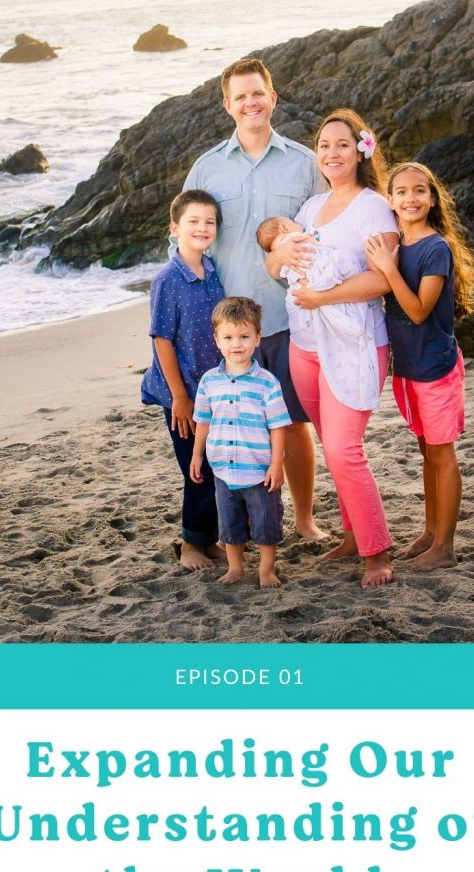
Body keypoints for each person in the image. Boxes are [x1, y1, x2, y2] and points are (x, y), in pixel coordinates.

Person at [179, 57, 325, 541]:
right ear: (227, 105)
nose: (250, 103)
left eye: (257, 93)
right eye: (240, 96)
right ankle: (234, 529)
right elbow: (185, 241)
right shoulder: (207, 167)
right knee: (226, 425)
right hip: (228, 325)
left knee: (294, 423)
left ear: (273, 97)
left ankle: (303, 519)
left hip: (289, 318)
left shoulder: (305, 163)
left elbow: (327, 230)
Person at [265, 108, 398, 587]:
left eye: (342, 144)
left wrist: (323, 296)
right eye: (324, 145)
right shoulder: (309, 209)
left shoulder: (374, 206)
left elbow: (382, 278)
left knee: (344, 449)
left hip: (354, 342)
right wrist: (277, 256)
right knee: (329, 441)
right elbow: (275, 266)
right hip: (305, 345)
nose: (331, 153)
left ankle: (377, 552)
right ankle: (351, 535)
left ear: (362, 150)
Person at [365, 162, 474, 570]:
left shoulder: (435, 249)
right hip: (408, 369)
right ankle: (431, 532)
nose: (410, 199)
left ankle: (445, 547)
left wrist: (388, 268)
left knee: (443, 455)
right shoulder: (397, 245)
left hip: (436, 368)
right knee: (426, 452)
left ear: (432, 198)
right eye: (401, 192)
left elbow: (416, 311)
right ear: (390, 200)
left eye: (419, 191)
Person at [141, 189, 225, 571]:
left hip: (212, 390)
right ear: (175, 228)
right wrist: (179, 396)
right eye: (193, 221)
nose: (202, 228)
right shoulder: (168, 279)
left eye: (209, 222)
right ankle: (190, 544)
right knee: (196, 467)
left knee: (213, 464)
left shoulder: (212, 272)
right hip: (183, 392)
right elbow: (162, 338)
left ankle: (208, 541)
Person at [191, 296, 291, 589]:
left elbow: (278, 426)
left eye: (245, 336)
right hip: (223, 469)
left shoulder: (267, 383)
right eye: (229, 337)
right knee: (230, 526)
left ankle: (266, 570)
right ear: (217, 340)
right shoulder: (210, 381)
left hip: (259, 471)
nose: (237, 344)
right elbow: (203, 421)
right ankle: (235, 568)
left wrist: (276, 464)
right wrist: (197, 455)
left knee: (266, 524)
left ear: (257, 338)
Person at [257, 215, 379, 411]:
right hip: (313, 276)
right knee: (345, 259)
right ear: (284, 227)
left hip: (308, 309)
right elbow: (310, 247)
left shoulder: (281, 246)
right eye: (292, 223)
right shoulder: (290, 239)